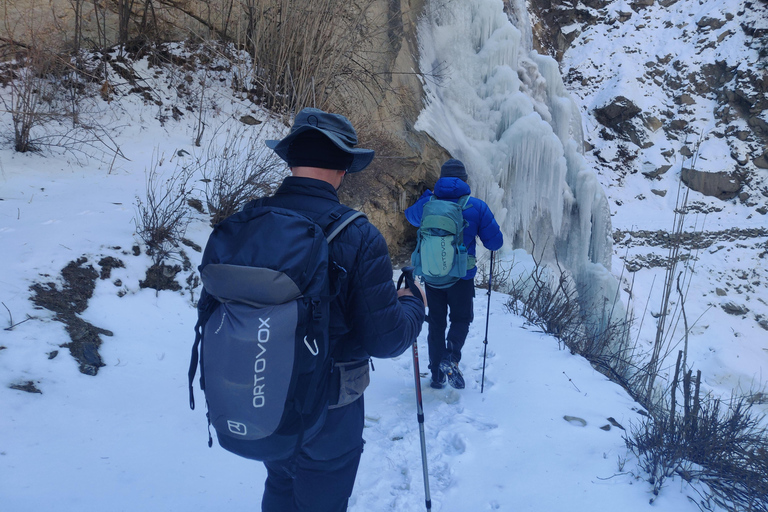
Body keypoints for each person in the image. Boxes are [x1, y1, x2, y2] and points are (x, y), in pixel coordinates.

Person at [257, 107, 426, 512]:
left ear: (290, 159)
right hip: (330, 409)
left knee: (280, 479)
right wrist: (412, 306)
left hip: (264, 392)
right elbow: (385, 340)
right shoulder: (358, 236)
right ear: (343, 169)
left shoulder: (251, 221)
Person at [405, 158, 503, 390]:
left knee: (436, 323)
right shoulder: (476, 206)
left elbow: (411, 217)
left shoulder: (429, 202)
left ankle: (437, 375)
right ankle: (451, 357)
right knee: (461, 319)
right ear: (465, 180)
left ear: (441, 179)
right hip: (462, 276)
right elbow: (495, 243)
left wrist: (424, 199)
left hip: (433, 275)